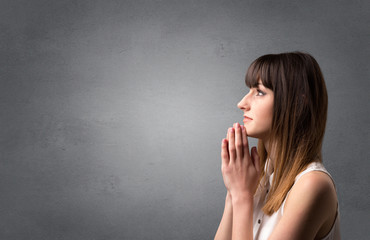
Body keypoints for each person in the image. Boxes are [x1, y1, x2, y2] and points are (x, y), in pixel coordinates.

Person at [214, 52, 340, 240]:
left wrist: (241, 196)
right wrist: (233, 193)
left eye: (260, 92)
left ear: (298, 104)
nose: (241, 104)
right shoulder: (256, 179)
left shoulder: (312, 185)